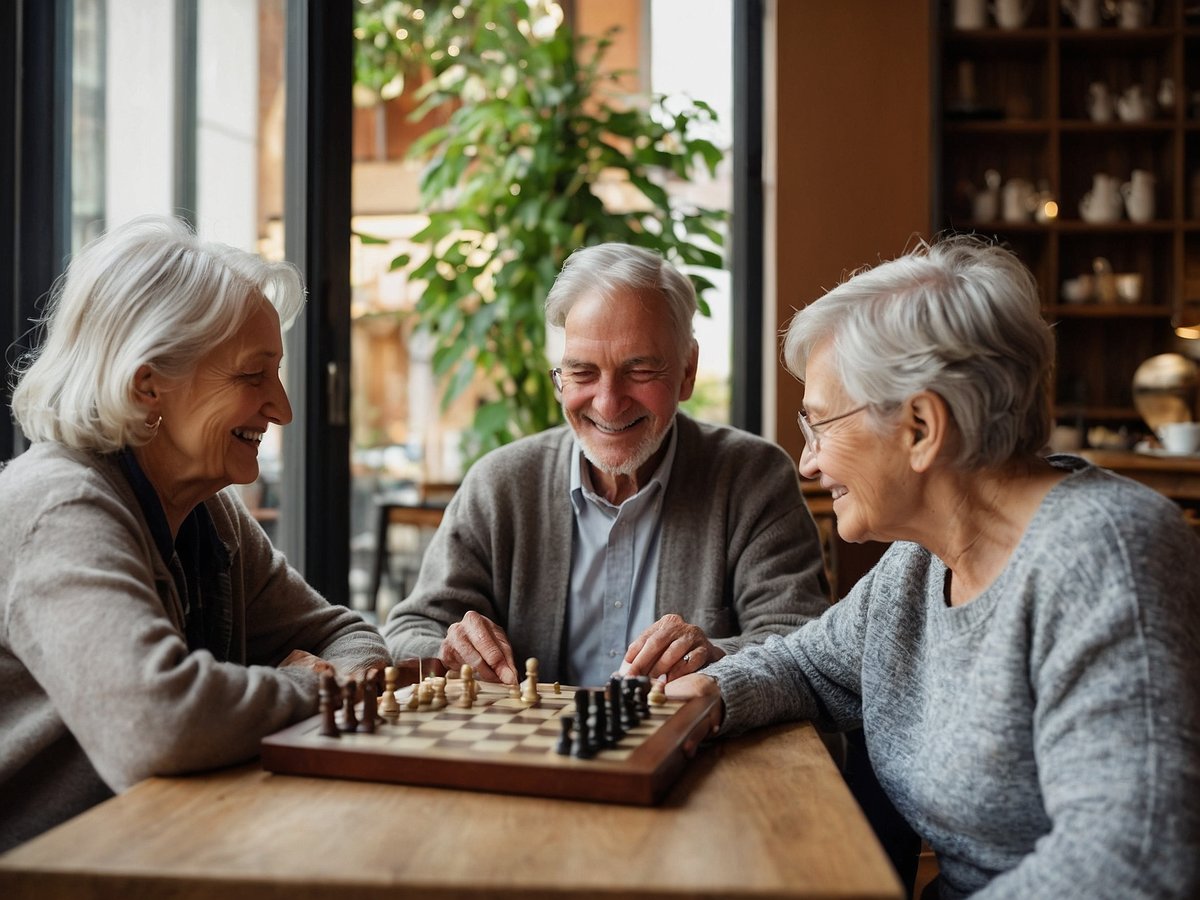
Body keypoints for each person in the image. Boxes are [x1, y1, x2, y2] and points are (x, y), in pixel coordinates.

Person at [666, 235, 1200, 899]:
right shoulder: (918, 566)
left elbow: (1129, 866)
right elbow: (807, 665)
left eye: (820, 425)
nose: (807, 463)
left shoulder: (1106, 557)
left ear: (920, 426)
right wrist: (713, 695)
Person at [0, 216, 392, 852]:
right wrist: (313, 685)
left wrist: (322, 674)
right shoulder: (59, 504)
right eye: (252, 376)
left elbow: (346, 637)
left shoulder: (214, 514)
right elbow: (156, 722)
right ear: (148, 383)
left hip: (163, 850)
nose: (284, 408)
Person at [382, 242, 830, 686]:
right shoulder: (500, 484)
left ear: (687, 371)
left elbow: (803, 642)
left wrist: (715, 655)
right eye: (582, 372)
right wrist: (449, 646)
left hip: (694, 755)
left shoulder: (753, 478)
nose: (608, 403)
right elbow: (409, 631)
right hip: (532, 755)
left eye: (640, 371)